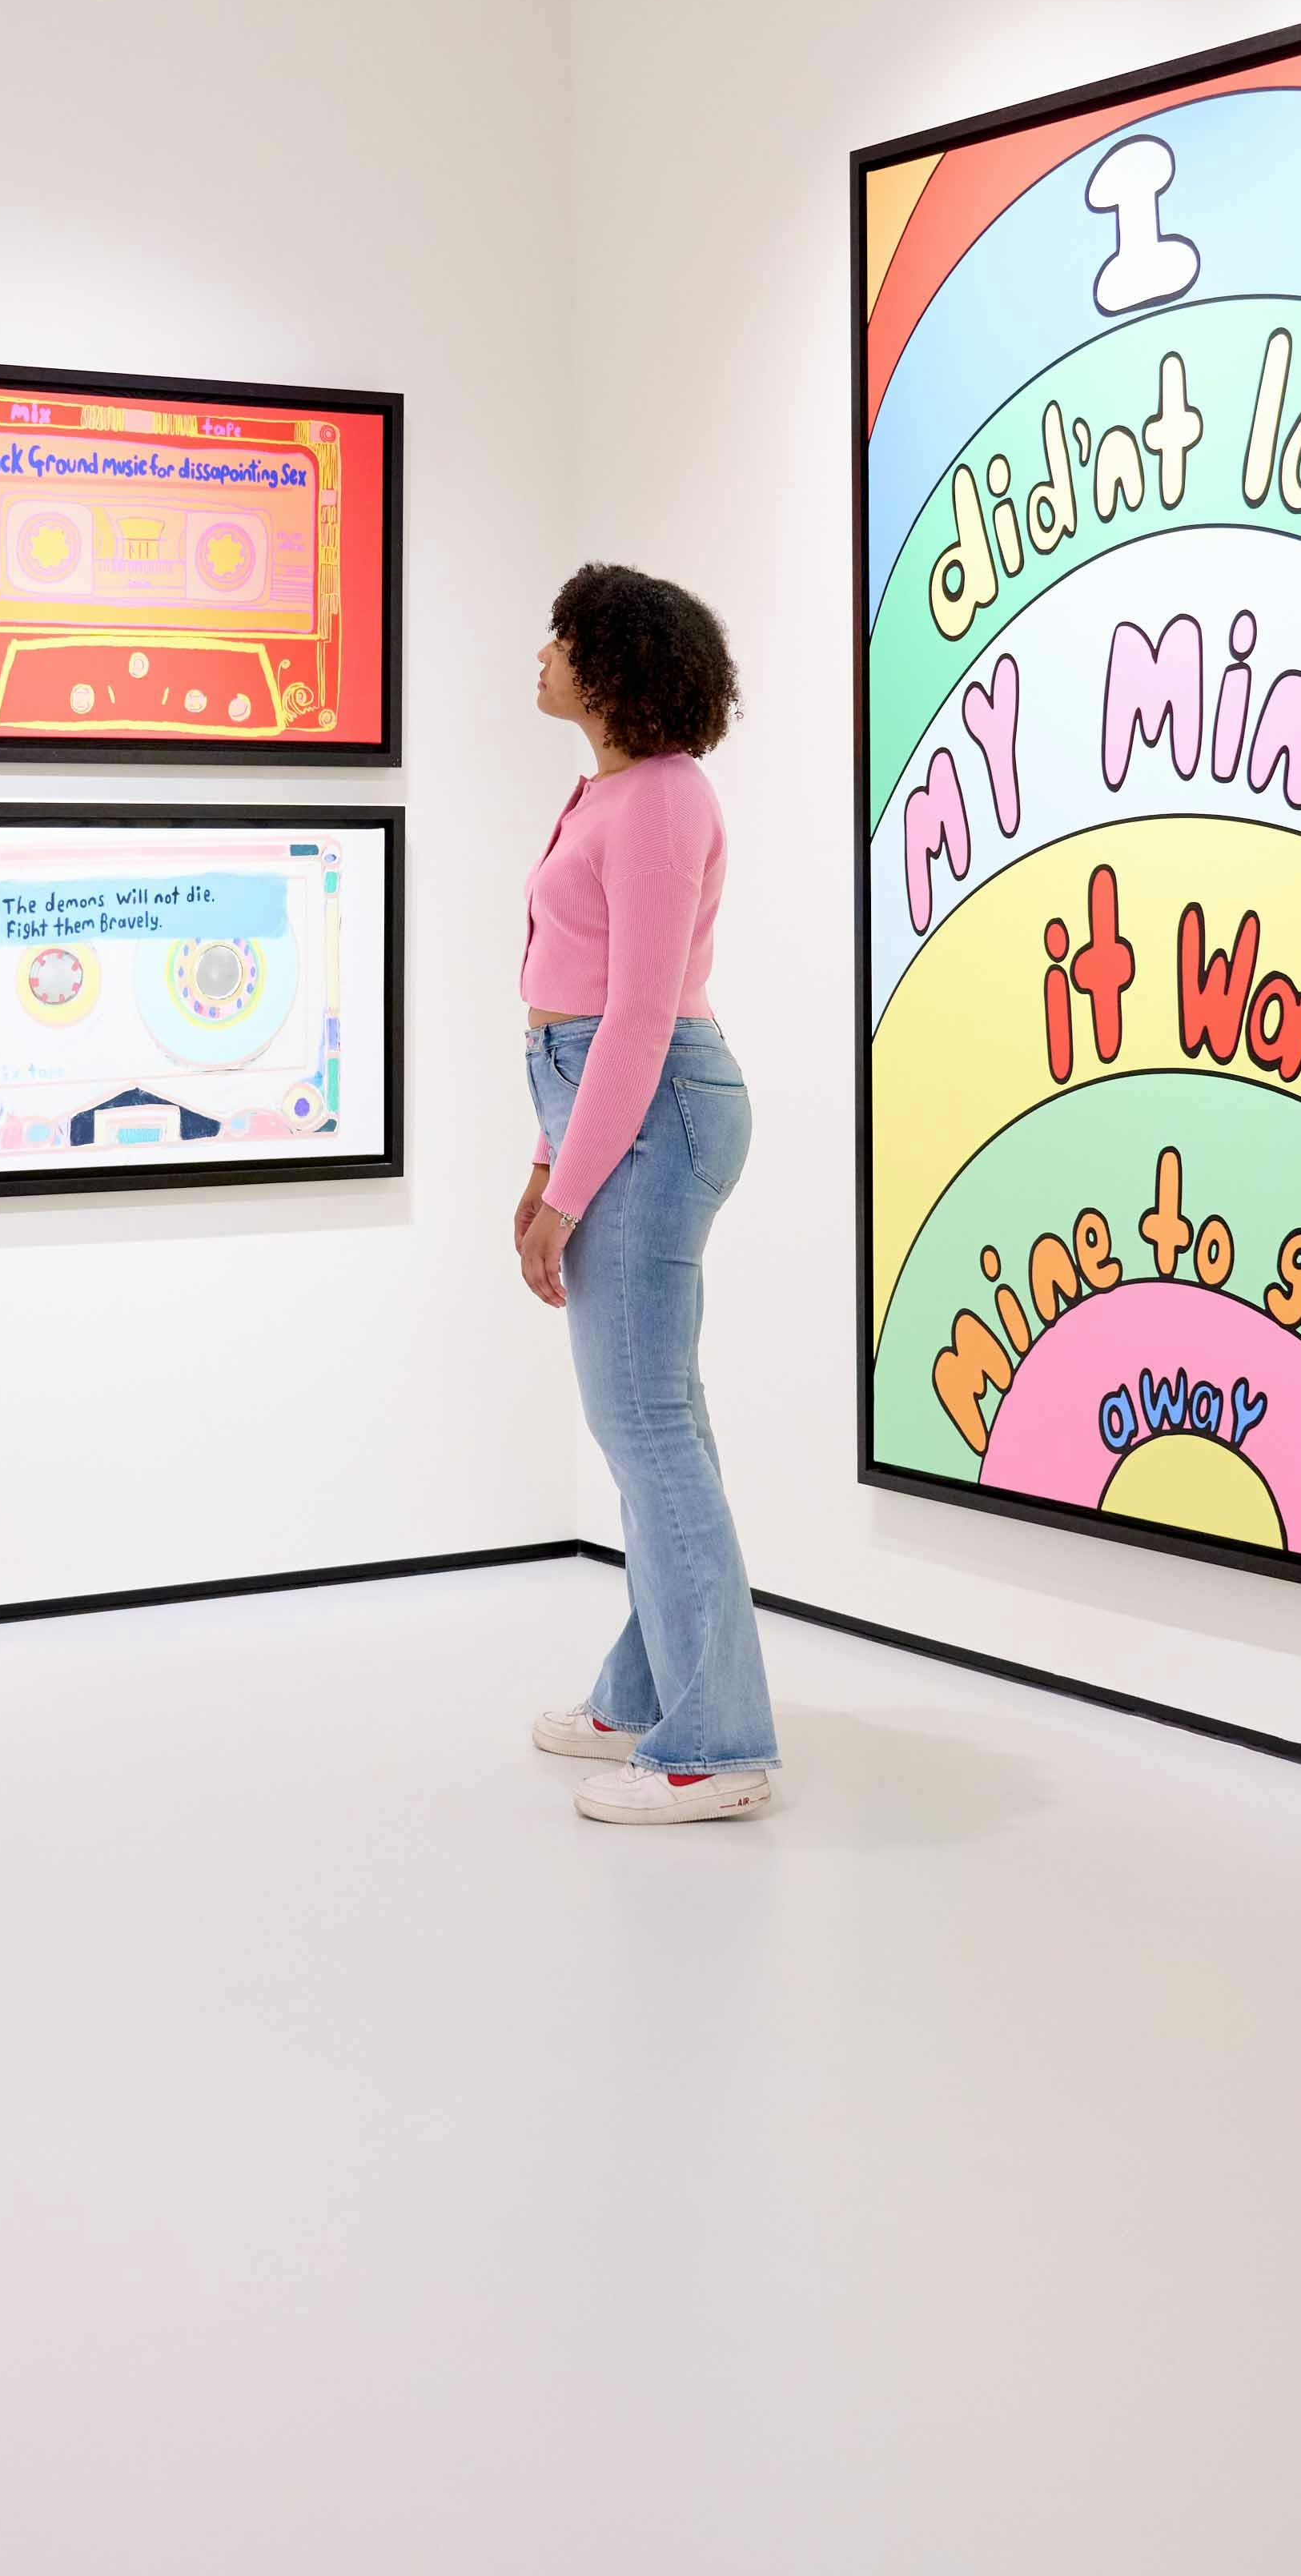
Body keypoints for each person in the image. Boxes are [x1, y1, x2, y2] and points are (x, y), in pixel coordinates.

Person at [516, 561, 774, 1823]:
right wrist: (541, 1159)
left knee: (648, 1425)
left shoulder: (667, 801)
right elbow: (575, 992)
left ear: (613, 665)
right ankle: (643, 1692)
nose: (545, 652)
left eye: (564, 637)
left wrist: (571, 1190)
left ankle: (719, 1746)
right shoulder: (612, 794)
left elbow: (636, 1014)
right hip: (610, 1103)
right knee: (653, 1417)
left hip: (652, 1107)